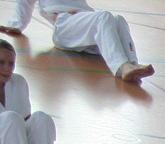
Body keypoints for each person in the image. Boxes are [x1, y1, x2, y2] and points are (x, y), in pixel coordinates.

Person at [1, 1, 152, 83]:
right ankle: (122, 67)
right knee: (104, 17)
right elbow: (25, 2)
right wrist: (17, 24)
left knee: (118, 20)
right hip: (65, 24)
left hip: (84, 21)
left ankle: (132, 64)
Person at [0, 38, 54, 144]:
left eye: (11, 64)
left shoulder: (19, 82)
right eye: (1, 63)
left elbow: (26, 124)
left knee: (41, 118)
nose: (7, 68)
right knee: (10, 118)